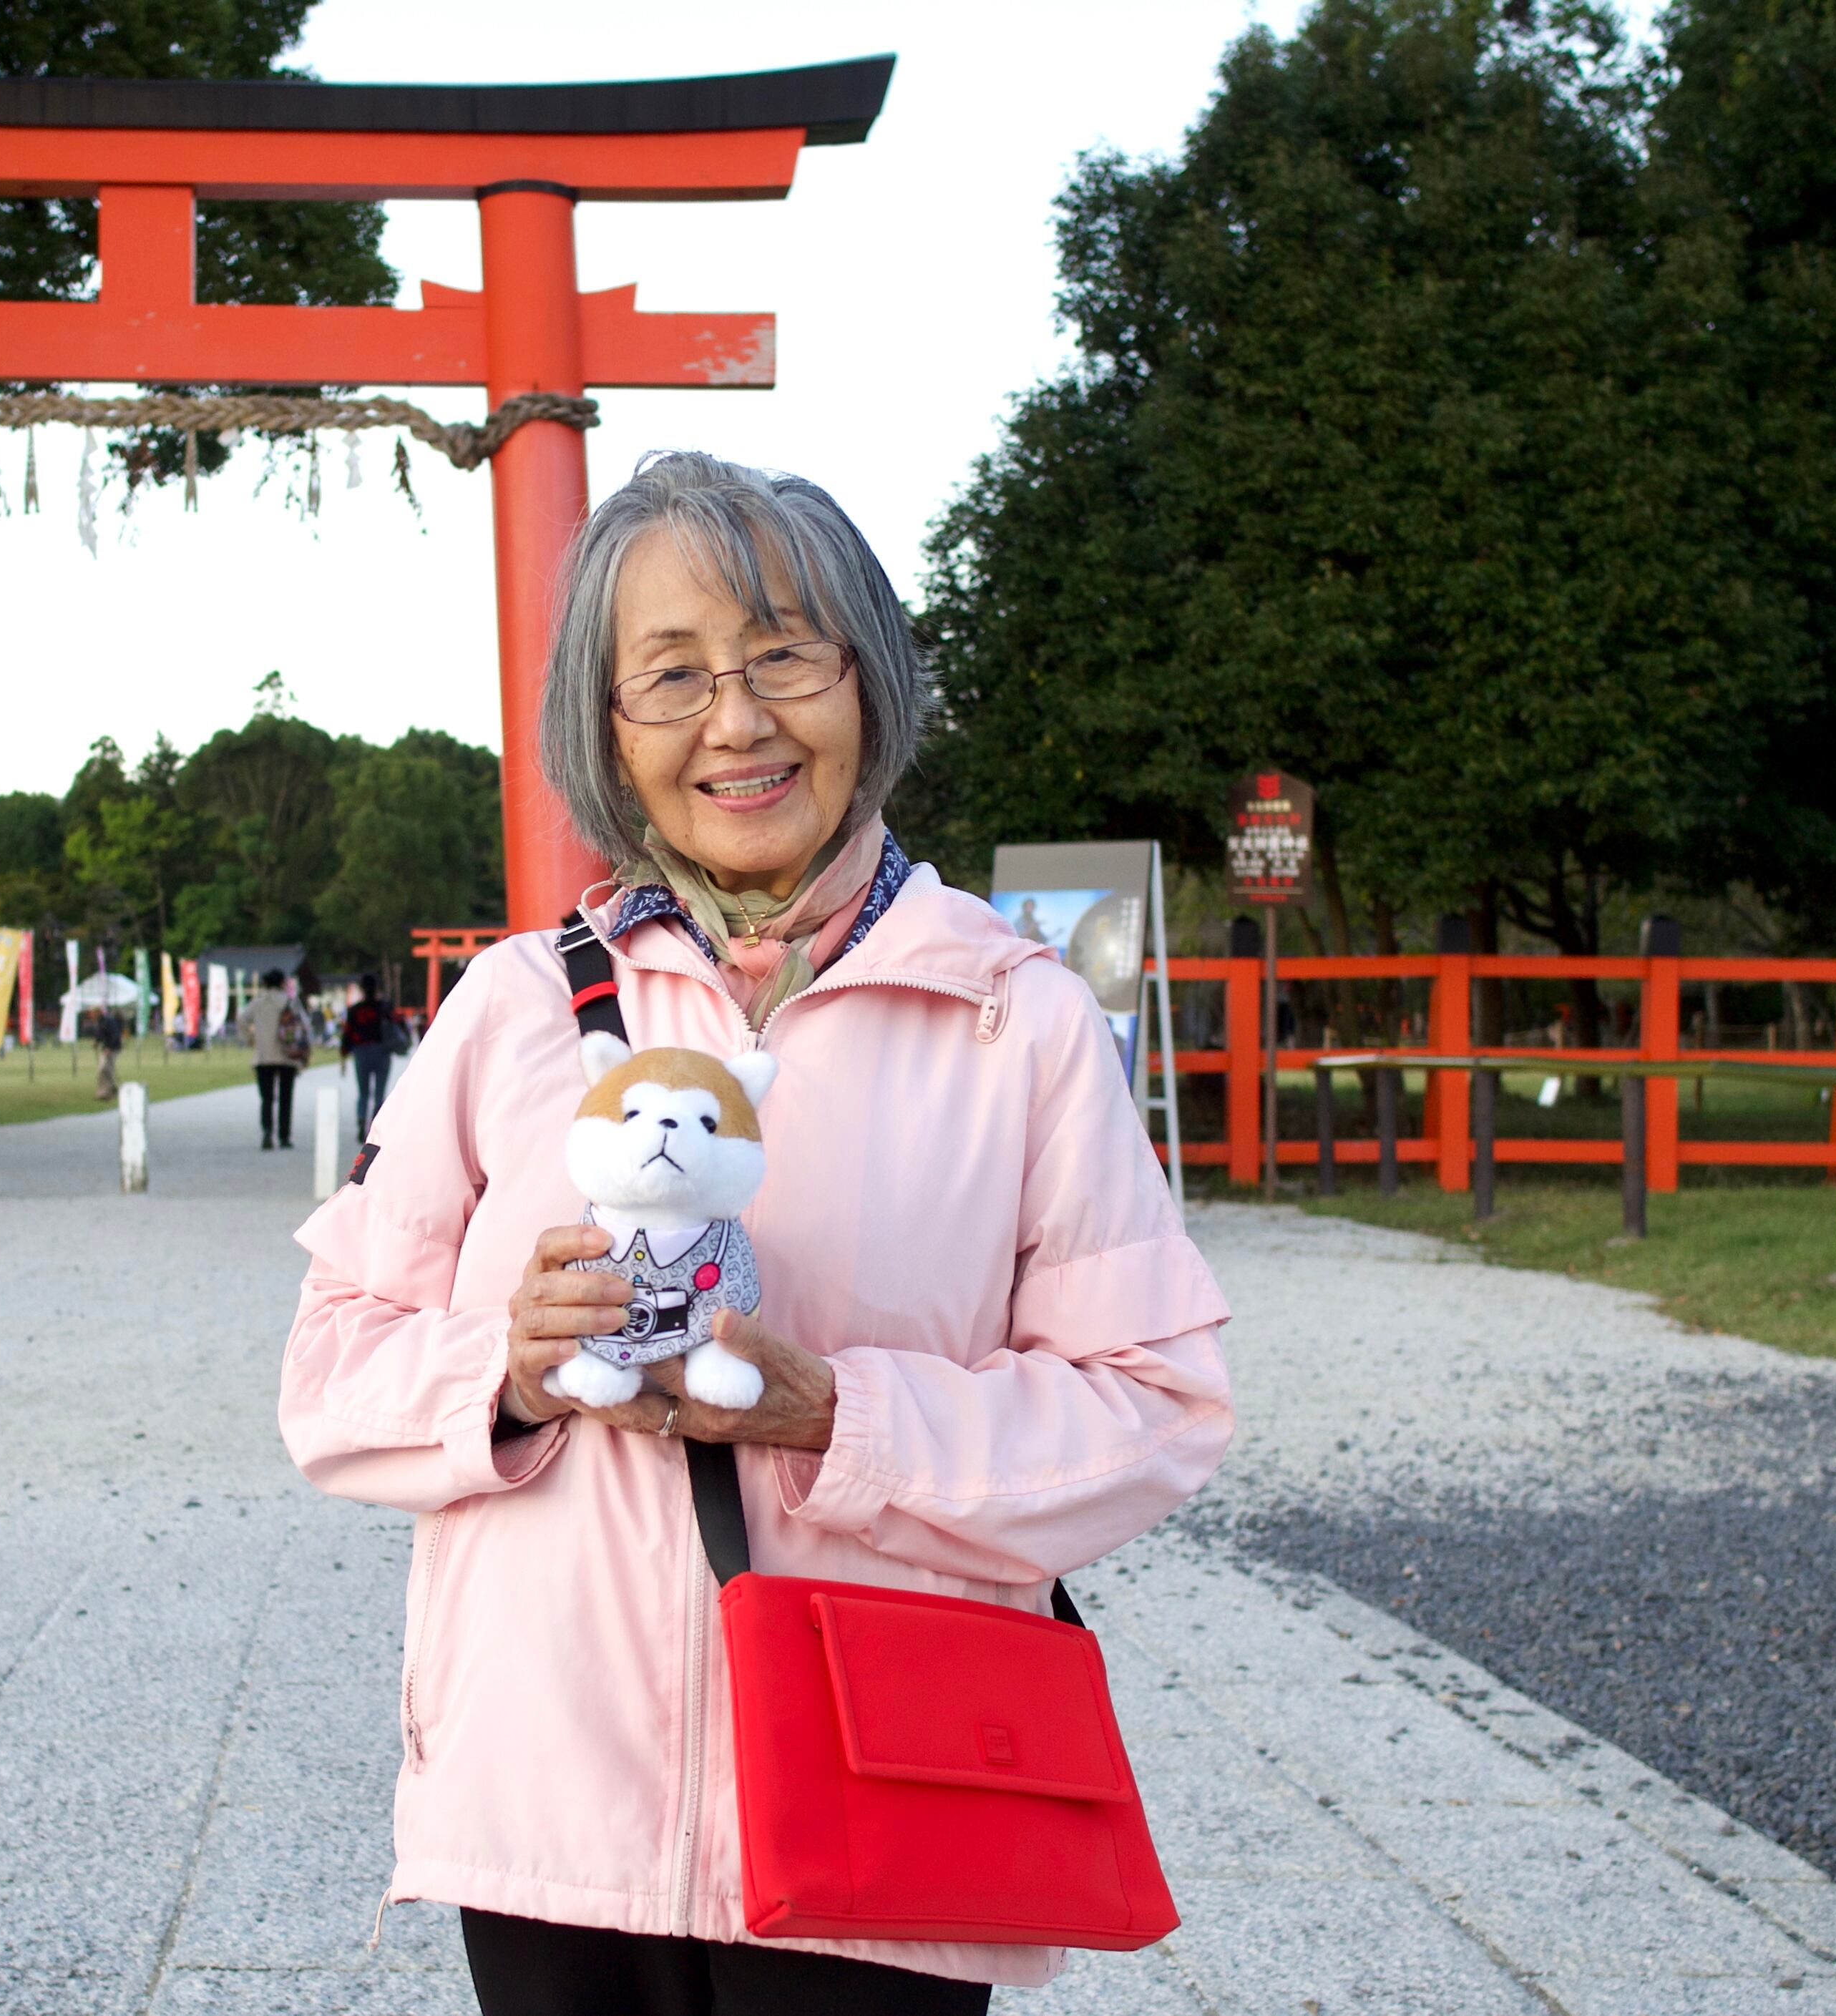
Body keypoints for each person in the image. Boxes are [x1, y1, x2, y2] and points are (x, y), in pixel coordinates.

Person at [279, 452, 1234, 2014]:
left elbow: (1150, 1400)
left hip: (890, 1774)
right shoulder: (512, 1009)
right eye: (669, 675)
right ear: (607, 730)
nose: (735, 719)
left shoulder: (1015, 1018)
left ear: (867, 677)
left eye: (783, 653)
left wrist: (841, 1416)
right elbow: (329, 1370)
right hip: (546, 1796)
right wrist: (503, 1373)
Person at [339, 971, 406, 1136]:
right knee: (379, 1092)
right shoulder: (384, 1007)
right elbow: (399, 1022)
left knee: (363, 1092)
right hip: (382, 1051)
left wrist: (344, 1052)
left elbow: (348, 1033)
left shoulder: (355, 1010)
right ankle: (376, 1126)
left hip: (362, 1052)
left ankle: (361, 1122)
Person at [250, 967, 308, 1150]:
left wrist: (251, 1039)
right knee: (286, 1098)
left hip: (264, 1056)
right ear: (283, 983)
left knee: (267, 1098)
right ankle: (284, 1136)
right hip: (287, 1056)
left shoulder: (257, 1003)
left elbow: (241, 1020)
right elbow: (303, 1025)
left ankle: (267, 1131)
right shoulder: (290, 1002)